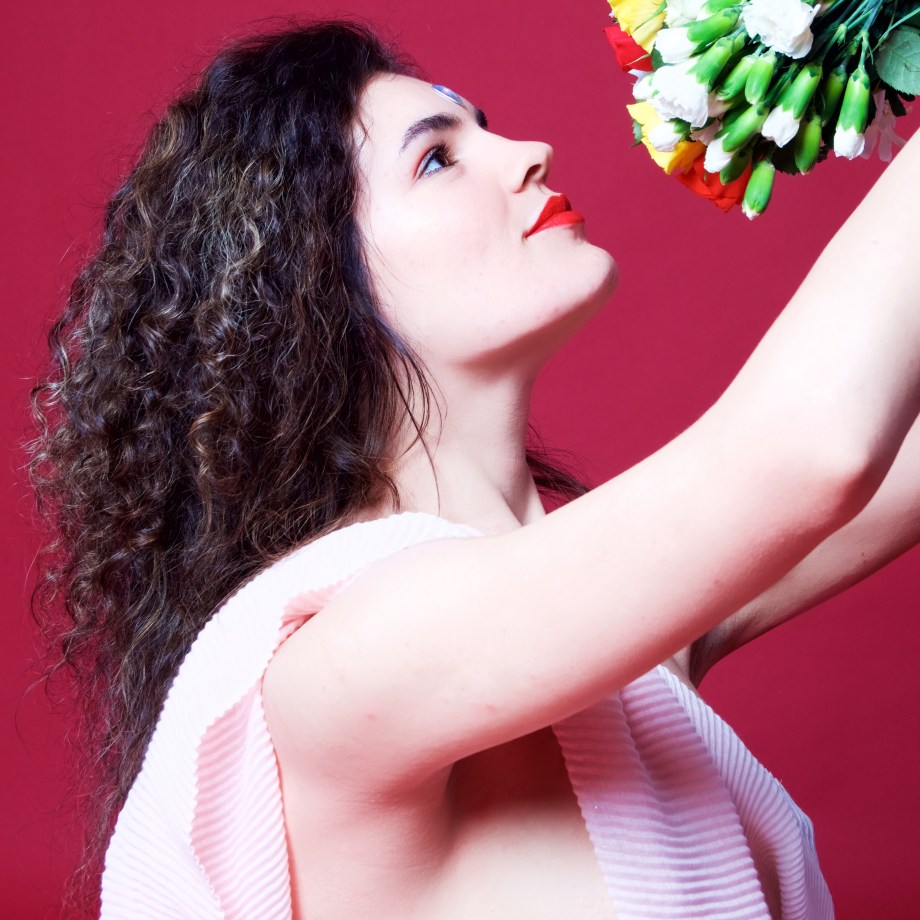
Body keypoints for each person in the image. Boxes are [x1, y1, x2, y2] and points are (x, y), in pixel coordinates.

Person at [29, 16, 920, 920]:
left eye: (480, 127)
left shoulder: (622, 643)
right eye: (437, 159)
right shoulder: (345, 662)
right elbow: (809, 451)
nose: (529, 151)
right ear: (313, 290)